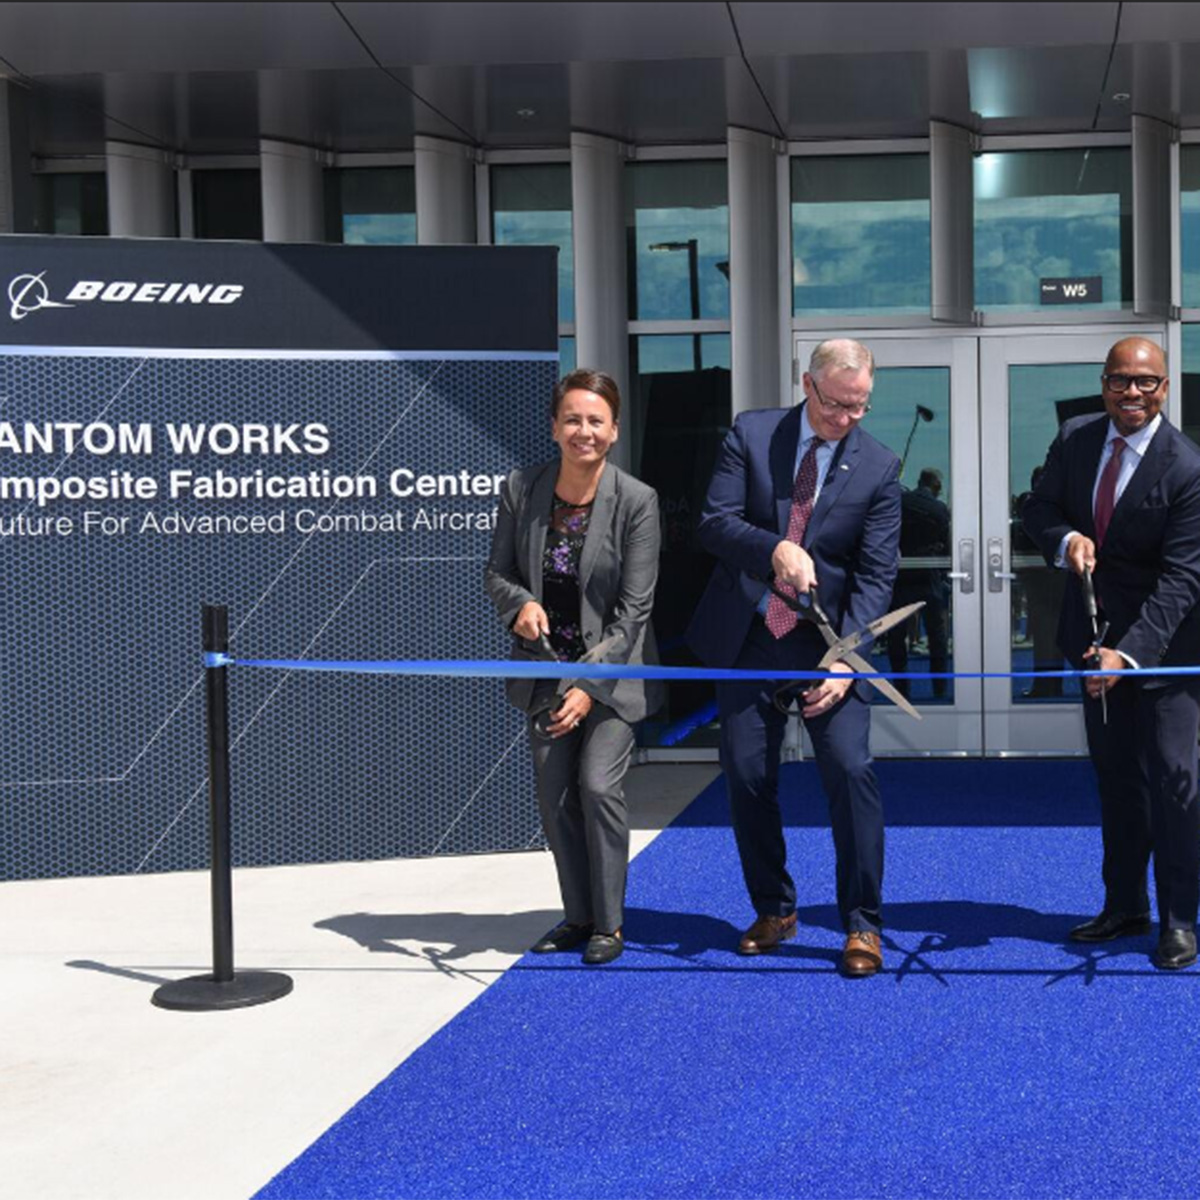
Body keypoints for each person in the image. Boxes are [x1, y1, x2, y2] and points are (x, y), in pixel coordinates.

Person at [686, 338, 901, 977]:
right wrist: (774, 548)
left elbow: (876, 575)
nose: (847, 420)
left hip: (830, 643)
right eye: (837, 405)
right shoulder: (752, 435)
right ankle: (775, 908)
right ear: (807, 385)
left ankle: (862, 925)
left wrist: (845, 659)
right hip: (750, 637)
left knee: (850, 769)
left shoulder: (879, 466)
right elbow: (714, 522)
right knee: (748, 775)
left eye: (860, 407)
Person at [1022, 337, 1200, 971]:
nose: (1133, 393)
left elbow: (1183, 579)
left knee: (1175, 789)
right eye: (1121, 381)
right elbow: (1035, 506)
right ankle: (1126, 904)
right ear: (1104, 383)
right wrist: (1065, 536)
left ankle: (1180, 919)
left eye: (1146, 383)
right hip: (1090, 639)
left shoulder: (1187, 466)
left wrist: (1127, 657)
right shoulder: (1075, 439)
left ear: (1164, 388)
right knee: (1118, 783)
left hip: (1166, 653)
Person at [485, 368, 663, 966]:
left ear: (613, 431)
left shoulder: (637, 501)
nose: (582, 431)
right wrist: (520, 604)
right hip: (542, 670)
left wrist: (586, 686)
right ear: (554, 426)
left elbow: (634, 611)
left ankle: (609, 924)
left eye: (595, 421)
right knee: (556, 798)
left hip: (611, 678)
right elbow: (498, 573)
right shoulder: (520, 489)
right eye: (572, 419)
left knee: (597, 784)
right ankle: (577, 914)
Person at [887, 467, 950, 698]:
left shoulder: (901, 502)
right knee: (936, 634)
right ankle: (940, 688)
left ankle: (901, 688)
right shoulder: (939, 509)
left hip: (901, 576)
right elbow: (946, 541)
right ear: (935, 486)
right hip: (929, 576)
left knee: (897, 634)